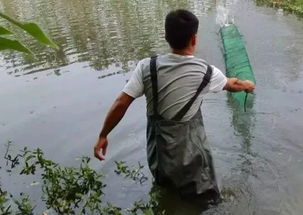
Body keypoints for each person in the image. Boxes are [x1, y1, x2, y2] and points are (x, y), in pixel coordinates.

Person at [94, 9, 255, 201]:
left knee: (166, 192)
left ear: (166, 37)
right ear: (194, 39)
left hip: (158, 155)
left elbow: (121, 103)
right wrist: (248, 85)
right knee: (207, 199)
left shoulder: (146, 67)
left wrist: (103, 135)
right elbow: (232, 84)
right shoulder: (206, 72)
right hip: (191, 158)